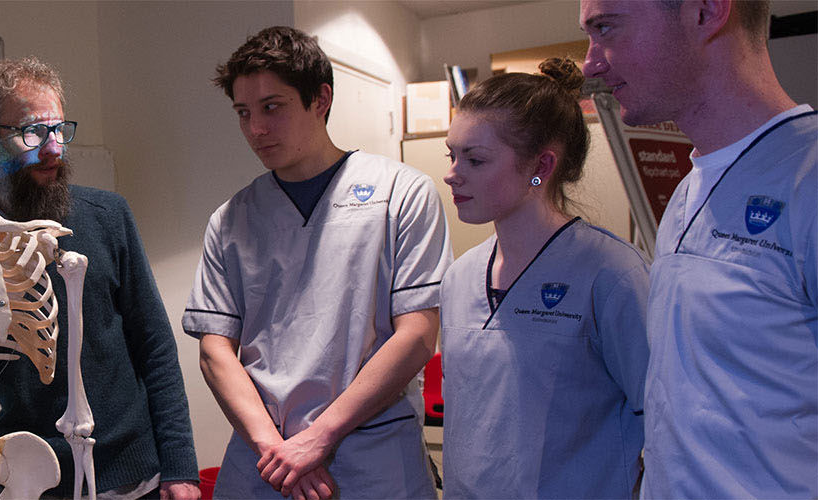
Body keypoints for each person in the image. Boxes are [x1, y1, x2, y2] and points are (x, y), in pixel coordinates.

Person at [185, 26, 451, 500]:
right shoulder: (232, 219)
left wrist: (319, 438)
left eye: (272, 107)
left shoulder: (401, 194)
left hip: (370, 458)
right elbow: (214, 352)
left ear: (320, 99)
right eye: (243, 113)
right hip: (263, 458)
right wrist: (280, 450)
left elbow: (416, 335)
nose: (255, 129)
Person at [580, 0, 818, 497]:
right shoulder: (688, 192)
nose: (591, 63)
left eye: (606, 28)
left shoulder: (806, 180)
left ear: (707, 11)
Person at [0, 56, 200, 500]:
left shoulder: (108, 216)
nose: (54, 148)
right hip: (26, 479)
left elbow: (155, 347)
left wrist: (180, 466)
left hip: (134, 479)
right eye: (33, 132)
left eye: (59, 130)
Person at [438, 58, 649, 498]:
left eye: (475, 159)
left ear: (542, 166)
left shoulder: (611, 274)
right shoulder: (460, 278)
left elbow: (663, 418)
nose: (452, 174)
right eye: (452, 154)